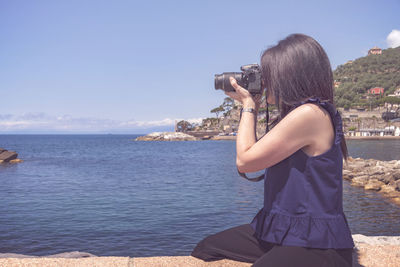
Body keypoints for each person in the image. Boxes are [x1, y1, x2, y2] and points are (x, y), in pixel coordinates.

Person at [191, 34, 355, 267]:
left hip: (315, 243)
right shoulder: (296, 114)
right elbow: (254, 154)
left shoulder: (310, 113)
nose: (265, 82)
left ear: (290, 76)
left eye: (269, 75)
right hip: (280, 230)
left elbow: (246, 161)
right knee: (207, 248)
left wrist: (249, 106)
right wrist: (254, 105)